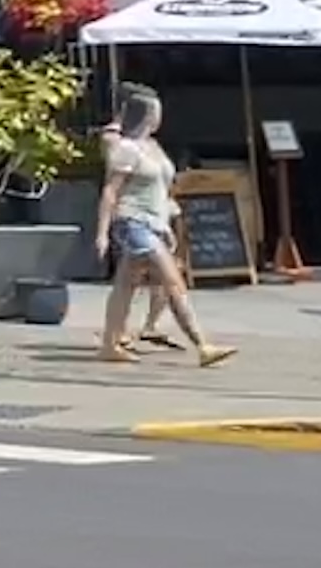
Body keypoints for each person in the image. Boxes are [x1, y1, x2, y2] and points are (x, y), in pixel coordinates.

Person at [95, 87, 236, 369]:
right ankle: (202, 344)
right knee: (172, 280)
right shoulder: (126, 148)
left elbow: (162, 185)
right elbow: (111, 192)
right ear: (146, 115)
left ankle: (110, 343)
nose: (159, 116)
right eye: (155, 111)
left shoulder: (153, 147)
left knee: (125, 284)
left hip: (155, 222)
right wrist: (102, 232)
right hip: (133, 221)